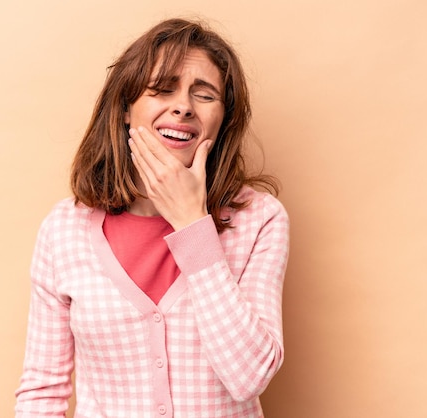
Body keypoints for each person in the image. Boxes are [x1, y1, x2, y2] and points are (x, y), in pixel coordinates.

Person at [15, 17, 290, 418]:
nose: (183, 107)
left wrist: (192, 223)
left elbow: (249, 377)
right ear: (127, 109)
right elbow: (41, 392)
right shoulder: (64, 230)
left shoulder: (260, 220)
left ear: (223, 120)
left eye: (205, 95)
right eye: (162, 90)